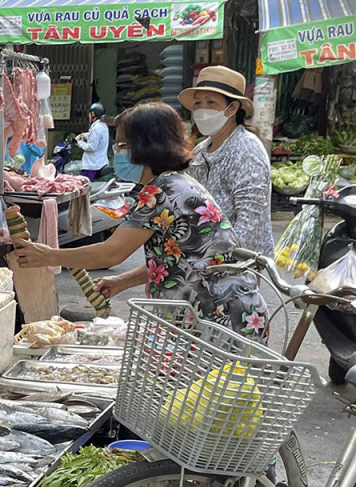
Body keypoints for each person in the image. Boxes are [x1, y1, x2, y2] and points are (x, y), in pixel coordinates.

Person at [14, 102, 269, 342]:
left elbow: (111, 252)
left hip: (219, 318)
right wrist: (122, 281)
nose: (117, 152)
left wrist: (48, 256)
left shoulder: (161, 192)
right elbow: (178, 259)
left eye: (122, 145)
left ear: (144, 146)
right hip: (230, 314)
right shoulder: (178, 183)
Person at [181, 66, 274, 256]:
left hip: (237, 263)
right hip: (203, 257)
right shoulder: (201, 149)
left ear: (232, 108)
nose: (202, 109)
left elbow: (249, 222)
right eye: (198, 103)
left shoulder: (247, 150)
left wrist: (221, 261)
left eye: (211, 102)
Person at [76, 103, 109, 181]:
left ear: (93, 114)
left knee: (85, 185)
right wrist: (83, 135)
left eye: (89, 114)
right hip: (100, 162)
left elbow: (92, 147)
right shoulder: (102, 125)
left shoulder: (96, 128)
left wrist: (79, 143)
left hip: (92, 166)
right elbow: (95, 137)